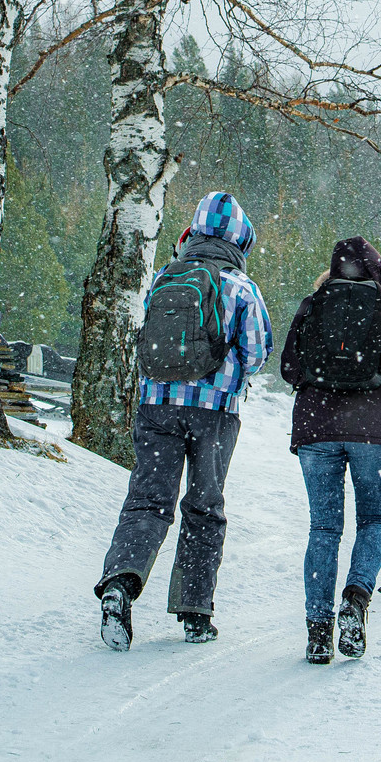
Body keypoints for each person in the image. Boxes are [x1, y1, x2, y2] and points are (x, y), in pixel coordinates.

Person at [94, 192, 273, 650]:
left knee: (148, 500)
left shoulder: (163, 277)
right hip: (214, 413)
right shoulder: (241, 287)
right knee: (203, 506)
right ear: (241, 239)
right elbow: (256, 352)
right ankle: (195, 613)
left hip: (157, 406)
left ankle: (120, 583)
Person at [278, 236, 381, 664]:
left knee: (324, 529)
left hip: (317, 428)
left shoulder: (313, 304)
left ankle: (316, 632)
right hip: (378, 430)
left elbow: (289, 365)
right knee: (372, 521)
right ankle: (356, 597)